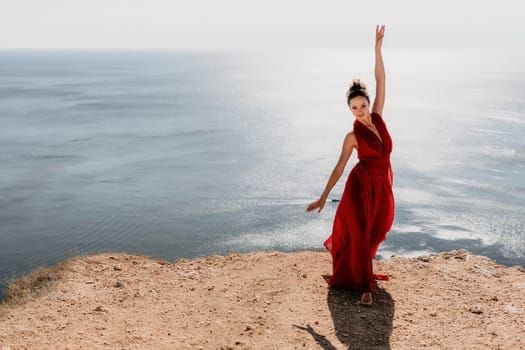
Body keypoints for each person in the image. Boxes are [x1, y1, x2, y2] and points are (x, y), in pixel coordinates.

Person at [306, 25, 394, 306]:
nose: (359, 111)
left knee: (375, 231)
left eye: (362, 106)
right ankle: (365, 287)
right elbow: (339, 168)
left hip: (381, 185)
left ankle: (355, 269)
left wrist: (377, 50)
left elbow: (381, 80)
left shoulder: (379, 118)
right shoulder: (352, 137)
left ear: (369, 104)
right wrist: (322, 197)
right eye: (353, 108)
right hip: (360, 187)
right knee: (359, 230)